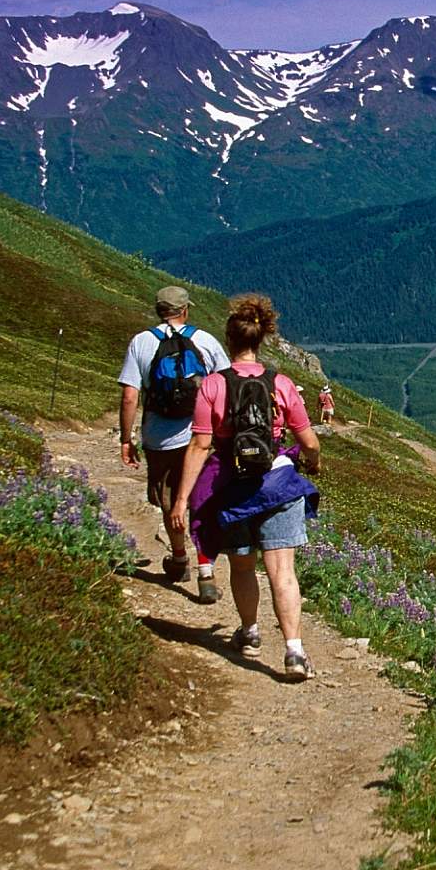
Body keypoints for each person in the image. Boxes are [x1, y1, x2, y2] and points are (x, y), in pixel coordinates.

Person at [169, 294, 324, 682]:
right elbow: (309, 441)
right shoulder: (282, 384)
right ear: (262, 339)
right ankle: (294, 652)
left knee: (242, 564)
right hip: (278, 485)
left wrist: (182, 499)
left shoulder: (212, 386)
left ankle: (250, 632)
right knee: (282, 571)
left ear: (229, 340)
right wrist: (314, 464)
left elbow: (201, 444)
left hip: (232, 488)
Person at [119, 285, 231, 601]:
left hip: (159, 437)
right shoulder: (205, 341)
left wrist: (127, 439)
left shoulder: (141, 342)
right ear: (185, 310)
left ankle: (179, 557)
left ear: (158, 310)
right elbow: (226, 385)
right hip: (201, 433)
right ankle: (206, 572)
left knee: (170, 498)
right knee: (199, 498)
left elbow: (130, 396)